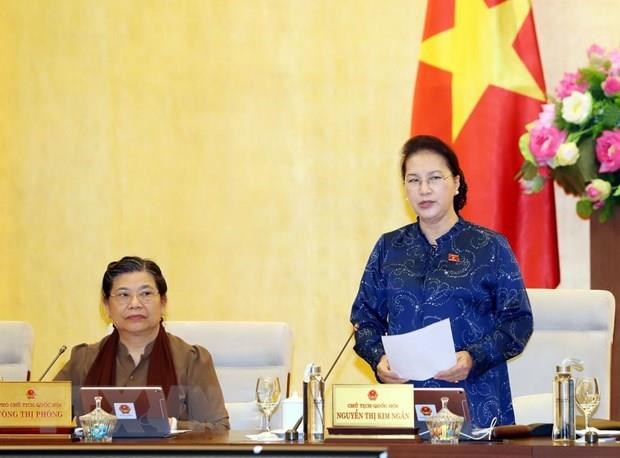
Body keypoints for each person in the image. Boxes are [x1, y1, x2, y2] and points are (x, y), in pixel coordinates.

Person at [349, 135, 533, 428]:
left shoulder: (489, 246)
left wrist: (473, 358)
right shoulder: (389, 247)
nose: (424, 189)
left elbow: (518, 322)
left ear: (456, 183)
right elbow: (364, 319)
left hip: (475, 401)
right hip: (404, 408)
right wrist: (378, 359)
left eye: (435, 178)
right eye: (413, 180)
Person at [55, 256, 230, 431]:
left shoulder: (192, 360)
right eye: (123, 295)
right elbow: (45, 420)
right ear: (107, 305)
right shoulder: (84, 360)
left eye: (145, 294)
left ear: (163, 302)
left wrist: (170, 425)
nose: (135, 304)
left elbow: (219, 430)